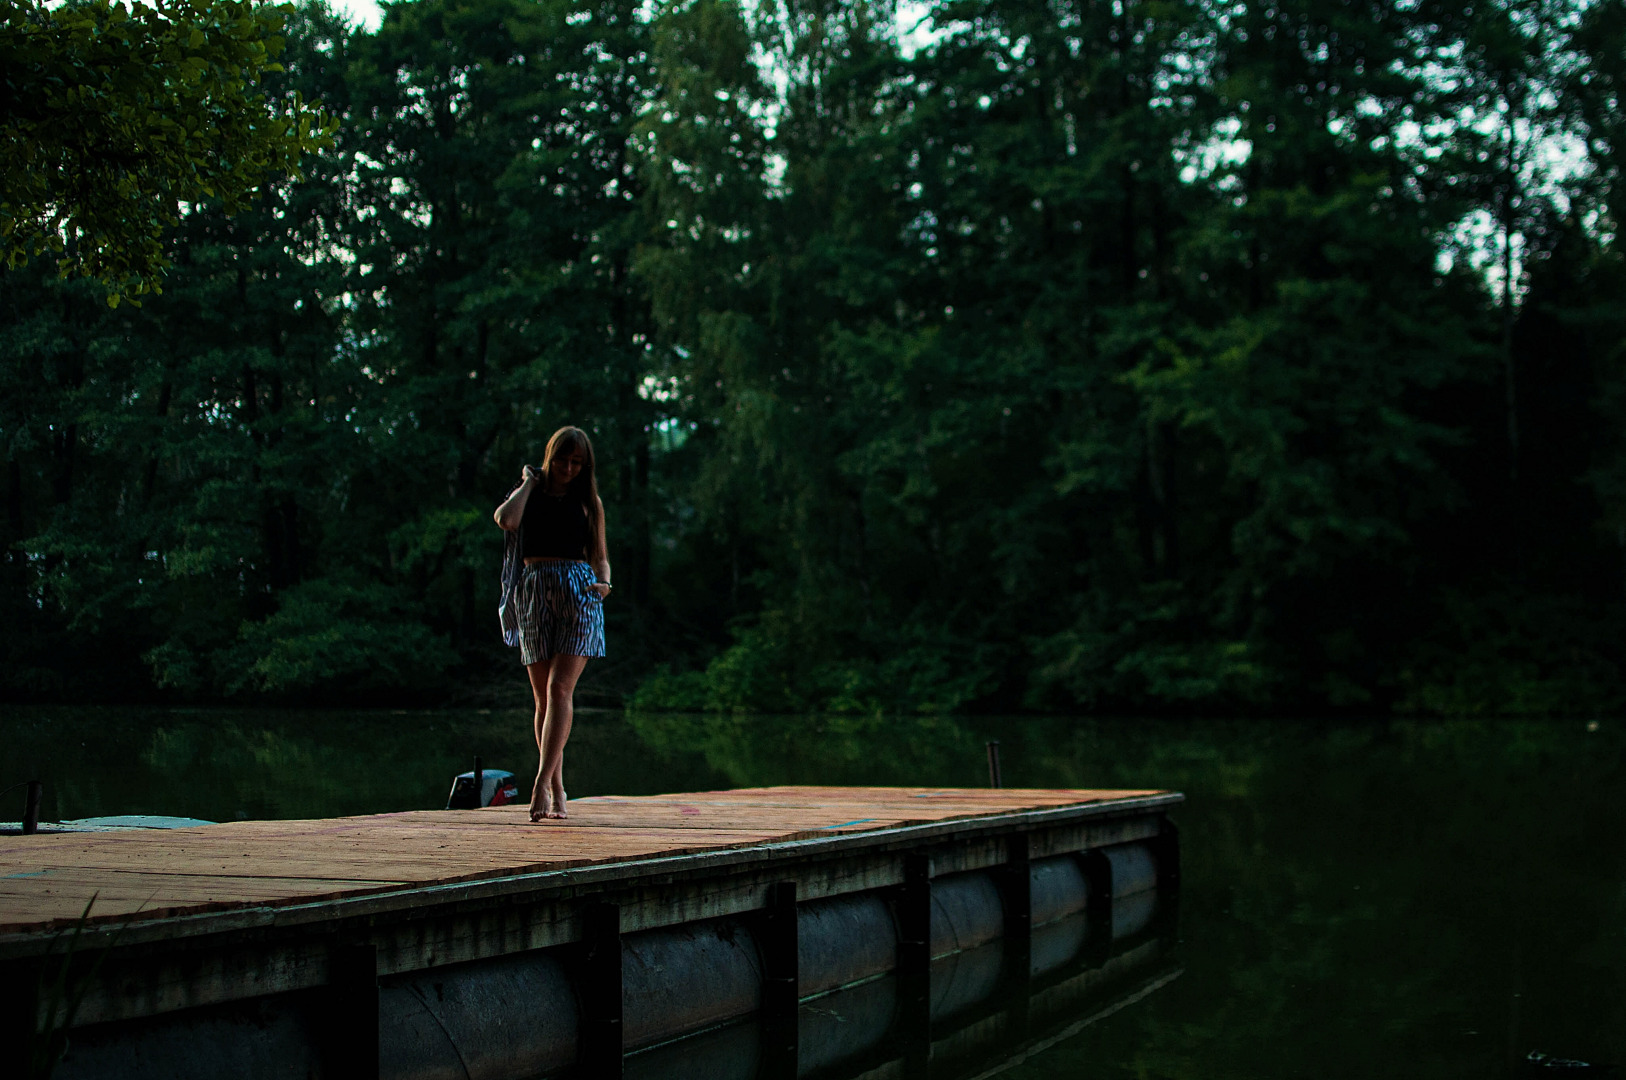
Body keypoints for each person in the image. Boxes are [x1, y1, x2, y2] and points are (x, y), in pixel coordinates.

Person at [494, 426, 611, 822]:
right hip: (534, 589)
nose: (568, 467)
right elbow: (506, 521)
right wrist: (529, 481)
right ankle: (559, 787)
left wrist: (605, 582)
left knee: (561, 687)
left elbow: (600, 556)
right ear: (550, 457)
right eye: (563, 459)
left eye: (577, 462)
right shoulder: (529, 495)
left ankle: (542, 782)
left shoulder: (588, 502)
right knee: (542, 698)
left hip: (579, 591)